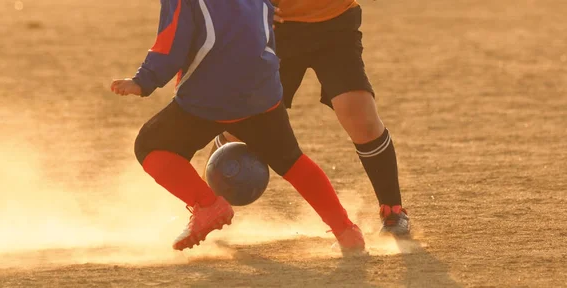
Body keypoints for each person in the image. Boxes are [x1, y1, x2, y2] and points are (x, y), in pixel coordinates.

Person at [110, 0, 365, 253]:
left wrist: (143, 81)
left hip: (212, 94)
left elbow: (171, 44)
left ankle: (207, 204)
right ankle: (346, 230)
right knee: (292, 161)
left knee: (150, 145)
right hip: (261, 91)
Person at [204, 0, 411, 236]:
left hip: (335, 25)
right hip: (275, 29)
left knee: (358, 114)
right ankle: (207, 206)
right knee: (243, 123)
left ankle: (392, 209)